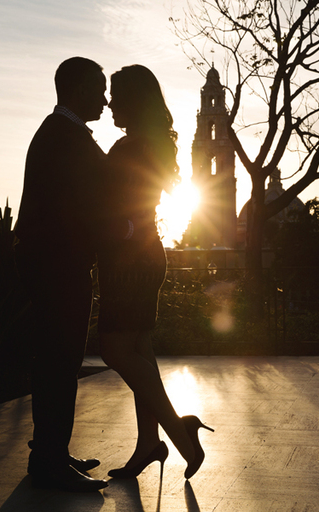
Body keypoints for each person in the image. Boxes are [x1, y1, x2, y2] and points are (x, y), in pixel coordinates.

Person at [14, 57, 135, 493]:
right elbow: (83, 208)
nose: (105, 99)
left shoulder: (60, 134)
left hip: (53, 264)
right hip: (58, 266)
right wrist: (126, 229)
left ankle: (50, 452)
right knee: (59, 361)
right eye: (99, 89)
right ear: (78, 89)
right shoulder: (65, 138)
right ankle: (49, 461)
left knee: (57, 360)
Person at [97, 65, 213, 480]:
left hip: (129, 262)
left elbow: (116, 208)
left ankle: (180, 433)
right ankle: (148, 443)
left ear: (134, 101)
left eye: (116, 95)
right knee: (139, 350)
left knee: (114, 350)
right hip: (145, 256)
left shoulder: (129, 149)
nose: (110, 102)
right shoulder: (153, 145)